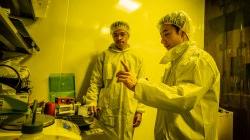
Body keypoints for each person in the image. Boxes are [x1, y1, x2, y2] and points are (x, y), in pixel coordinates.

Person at [116, 11, 220, 140]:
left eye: (167, 34)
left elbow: (183, 99)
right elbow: (167, 98)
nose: (162, 41)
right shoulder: (174, 64)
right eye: (161, 35)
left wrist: (138, 85)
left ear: (182, 32)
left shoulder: (199, 60)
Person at [85, 21, 145, 140]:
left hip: (129, 109)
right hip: (107, 110)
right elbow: (95, 82)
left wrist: (140, 111)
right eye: (115, 35)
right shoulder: (104, 56)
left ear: (128, 35)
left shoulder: (137, 57)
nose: (119, 38)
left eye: (122, 34)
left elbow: (142, 84)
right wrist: (92, 102)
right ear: (112, 36)